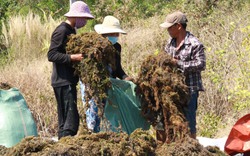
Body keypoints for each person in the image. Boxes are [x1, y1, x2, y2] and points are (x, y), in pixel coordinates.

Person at [47, 1, 94, 139]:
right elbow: (51, 54)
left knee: (68, 120)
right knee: (69, 121)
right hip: (62, 81)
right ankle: (64, 148)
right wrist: (72, 57)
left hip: (68, 80)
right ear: (75, 16)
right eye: (84, 18)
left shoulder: (71, 30)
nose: (85, 21)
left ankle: (64, 146)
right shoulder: (61, 31)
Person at [80, 15, 133, 133]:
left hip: (108, 84)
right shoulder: (93, 47)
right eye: (113, 34)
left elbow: (117, 68)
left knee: (107, 112)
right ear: (105, 33)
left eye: (117, 34)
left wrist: (125, 77)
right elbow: (89, 69)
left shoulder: (117, 47)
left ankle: (105, 134)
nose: (116, 37)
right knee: (93, 114)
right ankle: (92, 136)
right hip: (92, 85)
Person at [160, 11, 206, 139]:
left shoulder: (194, 44)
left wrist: (179, 64)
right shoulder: (170, 43)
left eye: (170, 27)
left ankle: (191, 148)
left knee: (189, 123)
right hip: (173, 89)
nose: (168, 30)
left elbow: (201, 64)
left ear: (179, 26)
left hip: (189, 90)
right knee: (171, 122)